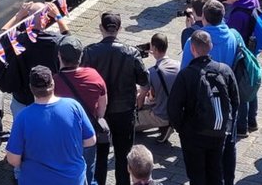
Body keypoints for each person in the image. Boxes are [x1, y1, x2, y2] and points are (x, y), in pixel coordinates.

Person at [82, 12, 149, 185]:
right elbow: (144, 80)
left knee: (101, 155)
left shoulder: (89, 52)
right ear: (119, 29)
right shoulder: (132, 53)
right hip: (124, 111)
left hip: (100, 113)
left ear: (101, 28)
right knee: (123, 156)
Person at [168, 30, 239, 185]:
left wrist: (182, 129)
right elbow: (235, 101)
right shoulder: (225, 70)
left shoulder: (186, 75)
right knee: (215, 173)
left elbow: (173, 108)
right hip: (219, 131)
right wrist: (226, 123)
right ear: (211, 46)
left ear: (192, 49)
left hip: (194, 134)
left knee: (197, 175)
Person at [5, 66, 97, 185]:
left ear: (31, 88)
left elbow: (13, 159)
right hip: (72, 179)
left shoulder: (23, 117)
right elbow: (91, 140)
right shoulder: (74, 106)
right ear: (53, 84)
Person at [0, 1, 69, 117]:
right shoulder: (55, 41)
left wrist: (18, 16)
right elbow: (70, 43)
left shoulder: (16, 40)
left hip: (22, 100)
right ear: (47, 20)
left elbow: (0, 37)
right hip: (48, 98)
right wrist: (58, 17)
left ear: (27, 20)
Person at [54, 35, 108, 185]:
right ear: (81, 56)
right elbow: (103, 106)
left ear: (59, 56)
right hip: (88, 133)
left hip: (64, 137)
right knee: (88, 170)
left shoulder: (55, 82)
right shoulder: (93, 75)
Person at [221, 0, 262, 137]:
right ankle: (253, 121)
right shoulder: (253, 0)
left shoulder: (238, 14)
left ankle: (242, 127)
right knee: (251, 86)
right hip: (253, 51)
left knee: (241, 91)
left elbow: (231, 36)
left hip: (240, 55)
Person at [135, 32, 180, 142]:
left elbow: (141, 97)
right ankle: (166, 125)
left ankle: (165, 126)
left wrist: (138, 108)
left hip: (161, 115)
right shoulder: (179, 65)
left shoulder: (151, 72)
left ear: (154, 48)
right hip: (176, 111)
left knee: (130, 124)